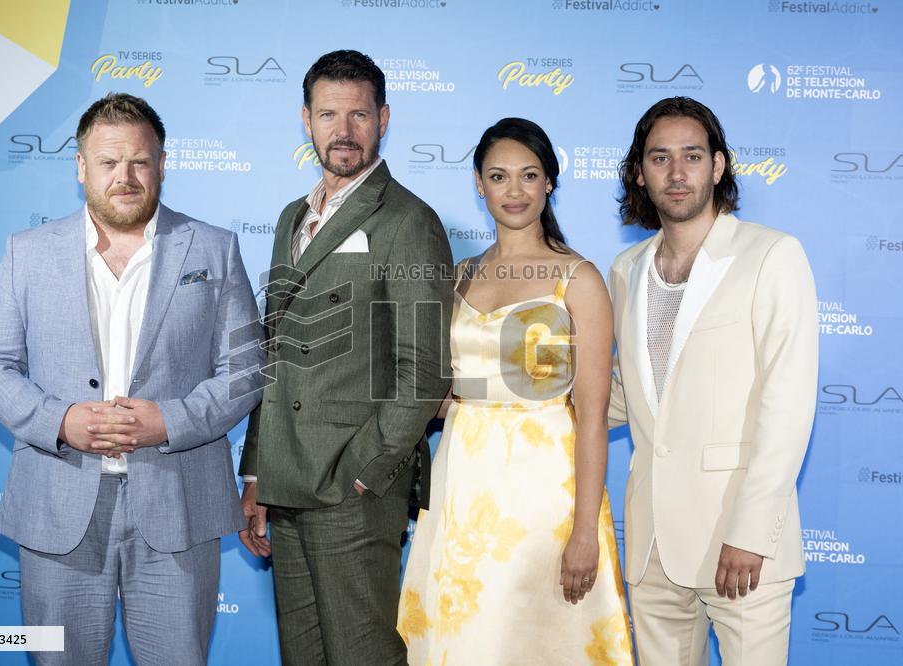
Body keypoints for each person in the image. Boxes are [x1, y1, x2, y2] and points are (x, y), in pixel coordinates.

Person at [0, 93, 264, 665]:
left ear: (162, 163)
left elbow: (246, 370)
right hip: (58, 508)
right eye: (107, 162)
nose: (124, 177)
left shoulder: (214, 248)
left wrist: (169, 422)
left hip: (179, 509)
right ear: (81, 167)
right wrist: (61, 420)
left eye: (139, 161)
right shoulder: (26, 253)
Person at [237, 50, 453, 665]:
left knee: (363, 656)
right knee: (302, 657)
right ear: (306, 120)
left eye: (359, 114)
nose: (344, 130)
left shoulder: (410, 220)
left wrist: (368, 469)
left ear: (384, 118)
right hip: (286, 482)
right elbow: (273, 353)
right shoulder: (291, 219)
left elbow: (427, 367)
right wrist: (257, 474)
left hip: (353, 492)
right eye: (329, 114)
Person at [398, 118, 634, 665]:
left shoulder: (578, 279)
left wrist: (583, 535)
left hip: (544, 493)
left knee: (531, 639)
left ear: (549, 182)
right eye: (499, 176)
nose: (514, 191)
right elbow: (444, 390)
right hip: (460, 483)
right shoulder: (459, 277)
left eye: (529, 175)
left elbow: (592, 417)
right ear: (478, 184)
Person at [609, 96, 818, 665]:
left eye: (692, 156)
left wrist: (751, 532)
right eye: (659, 158)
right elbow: (628, 396)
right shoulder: (625, 271)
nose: (677, 173)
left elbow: (788, 404)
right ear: (639, 173)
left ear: (718, 166)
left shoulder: (771, 255)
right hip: (652, 545)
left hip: (740, 538)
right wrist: (500, 403)